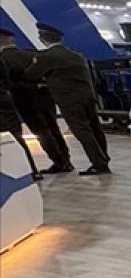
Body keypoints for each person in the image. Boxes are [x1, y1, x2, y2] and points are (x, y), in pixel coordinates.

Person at [26, 23, 111, 175]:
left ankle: (99, 164)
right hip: (87, 96)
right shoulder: (76, 55)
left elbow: (30, 75)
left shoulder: (46, 57)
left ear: (42, 39)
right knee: (95, 128)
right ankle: (103, 159)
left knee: (82, 130)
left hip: (69, 99)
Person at [0, 28, 72, 173]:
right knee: (54, 128)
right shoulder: (31, 54)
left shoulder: (3, 58)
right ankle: (66, 160)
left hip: (24, 99)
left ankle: (58, 162)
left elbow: (8, 82)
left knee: (41, 132)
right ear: (11, 39)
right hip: (44, 96)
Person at [0, 57, 41, 178]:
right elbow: (7, 81)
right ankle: (30, 171)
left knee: (14, 138)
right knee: (16, 137)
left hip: (3, 104)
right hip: (3, 101)